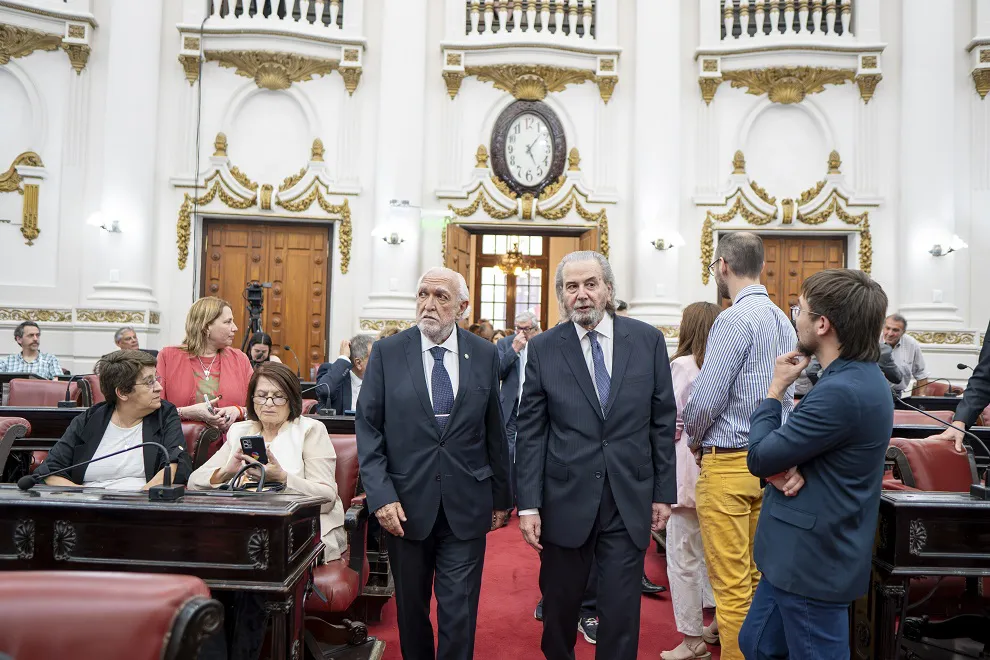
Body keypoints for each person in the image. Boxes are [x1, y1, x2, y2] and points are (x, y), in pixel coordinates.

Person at [515, 250, 677, 660]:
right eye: (572, 287)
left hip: (628, 497)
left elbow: (662, 421)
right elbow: (531, 431)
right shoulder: (545, 348)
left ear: (608, 289)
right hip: (564, 501)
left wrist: (663, 492)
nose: (582, 295)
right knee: (560, 611)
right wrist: (529, 506)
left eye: (590, 284)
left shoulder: (647, 340)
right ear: (562, 296)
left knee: (622, 613)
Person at [356, 267, 510, 660]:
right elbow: (369, 428)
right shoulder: (389, 352)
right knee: (411, 611)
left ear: (462, 306)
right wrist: (381, 496)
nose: (429, 304)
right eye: (423, 293)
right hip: (404, 506)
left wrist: (501, 497)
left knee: (459, 611)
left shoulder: (485, 352)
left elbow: (495, 427)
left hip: (467, 499)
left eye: (441, 296)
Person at [739, 269, 893, 658]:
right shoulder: (853, 377)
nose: (796, 318)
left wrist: (775, 390)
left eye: (799, 310)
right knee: (756, 643)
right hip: (796, 553)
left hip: (812, 559)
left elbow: (759, 456)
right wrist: (783, 465)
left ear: (822, 324)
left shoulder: (842, 389)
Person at [682, 232, 797, 660]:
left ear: (724, 265)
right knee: (755, 580)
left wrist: (694, 438)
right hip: (769, 463)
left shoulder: (732, 319)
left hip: (729, 465)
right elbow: (787, 396)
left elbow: (706, 400)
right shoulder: (783, 320)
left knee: (730, 588)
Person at [189, 361, 346, 557]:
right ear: (252, 399)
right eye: (262, 396)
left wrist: (283, 479)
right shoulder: (241, 431)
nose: (269, 404)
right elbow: (194, 483)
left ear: (292, 399)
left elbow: (327, 498)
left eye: (279, 397)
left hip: (296, 530)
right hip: (243, 527)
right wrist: (226, 472)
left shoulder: (310, 430)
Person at [34, 350, 190, 489]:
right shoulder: (89, 420)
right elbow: (50, 471)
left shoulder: (164, 414)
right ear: (122, 392)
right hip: (87, 511)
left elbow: (175, 464)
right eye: (149, 382)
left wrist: (136, 502)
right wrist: (83, 498)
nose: (159, 387)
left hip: (142, 509)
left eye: (156, 379)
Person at [663, 302, 721, 660]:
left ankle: (690, 640)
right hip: (719, 462)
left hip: (686, 463)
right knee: (717, 555)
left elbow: (671, 421)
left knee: (683, 556)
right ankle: (715, 627)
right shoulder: (723, 363)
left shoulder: (683, 364)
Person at [157, 297, 254, 453]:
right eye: (228, 322)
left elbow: (259, 405)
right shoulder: (168, 357)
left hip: (233, 452)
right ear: (206, 326)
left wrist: (238, 411)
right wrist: (188, 412)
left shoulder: (240, 359)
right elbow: (152, 409)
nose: (235, 328)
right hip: (180, 450)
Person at [315, 335, 373, 415]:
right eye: (375, 358)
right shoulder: (332, 373)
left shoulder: (379, 380)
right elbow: (325, 390)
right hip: (341, 426)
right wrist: (343, 358)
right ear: (358, 363)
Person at [883, 313, 929, 396]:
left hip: (896, 395)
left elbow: (921, 374)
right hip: (872, 394)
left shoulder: (911, 344)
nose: (890, 333)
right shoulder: (872, 341)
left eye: (895, 330)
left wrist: (921, 400)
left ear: (903, 332)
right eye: (887, 328)